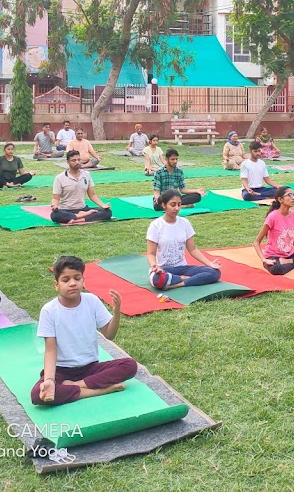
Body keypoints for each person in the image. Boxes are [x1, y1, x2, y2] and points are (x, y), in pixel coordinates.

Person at [30, 255, 136, 406]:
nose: (72, 283)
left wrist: (117, 313)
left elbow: (109, 335)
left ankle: (77, 385)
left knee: (130, 365)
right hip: (62, 370)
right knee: (37, 395)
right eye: (66, 280)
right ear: (56, 285)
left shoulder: (92, 301)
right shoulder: (49, 310)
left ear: (83, 281)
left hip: (90, 368)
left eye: (77, 278)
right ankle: (98, 390)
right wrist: (49, 380)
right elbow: (50, 350)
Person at [146, 189, 222, 290]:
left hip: (182, 267)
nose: (176, 208)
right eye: (173, 205)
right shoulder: (156, 225)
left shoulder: (184, 223)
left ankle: (179, 283)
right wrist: (155, 266)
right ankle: (184, 279)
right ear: (164, 205)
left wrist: (209, 263)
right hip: (163, 269)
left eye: (179, 204)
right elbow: (151, 253)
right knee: (158, 279)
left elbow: (193, 249)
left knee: (214, 273)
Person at [50, 151, 112, 224]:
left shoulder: (86, 174)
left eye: (79, 160)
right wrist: (55, 205)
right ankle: (83, 216)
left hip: (83, 208)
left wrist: (102, 205)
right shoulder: (60, 178)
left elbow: (92, 195)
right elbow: (55, 198)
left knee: (107, 212)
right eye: (74, 160)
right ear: (68, 162)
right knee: (55, 215)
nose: (77, 162)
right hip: (66, 210)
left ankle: (78, 219)